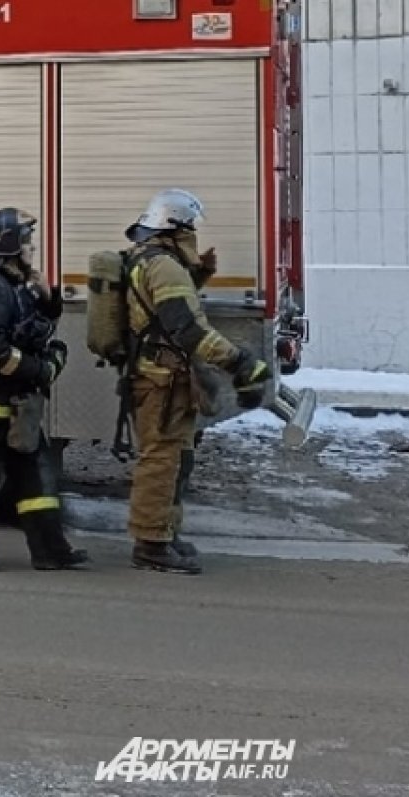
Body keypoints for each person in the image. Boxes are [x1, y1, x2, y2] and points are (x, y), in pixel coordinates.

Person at [121, 189, 271, 574]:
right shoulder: (163, 265)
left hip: (167, 378)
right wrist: (238, 361)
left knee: (178, 459)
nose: (195, 235)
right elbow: (186, 328)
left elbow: (164, 308)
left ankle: (164, 531)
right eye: (191, 228)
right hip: (161, 381)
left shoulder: (154, 259)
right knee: (161, 459)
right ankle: (151, 544)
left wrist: (198, 273)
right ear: (175, 227)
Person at [0, 207, 90, 573]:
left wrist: (48, 299)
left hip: (18, 404)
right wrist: (40, 370)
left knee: (36, 477)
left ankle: (50, 550)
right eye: (27, 241)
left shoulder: (15, 286)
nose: (33, 248)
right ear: (10, 245)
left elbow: (32, 328)